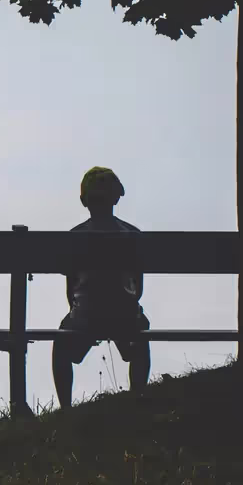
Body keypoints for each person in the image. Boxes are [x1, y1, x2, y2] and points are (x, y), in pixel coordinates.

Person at [53, 166, 151, 408]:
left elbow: (70, 288)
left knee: (61, 344)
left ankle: (66, 409)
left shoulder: (74, 237)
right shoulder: (133, 235)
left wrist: (80, 309)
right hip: (125, 315)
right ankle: (138, 399)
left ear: (84, 201)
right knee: (140, 334)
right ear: (116, 198)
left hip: (86, 314)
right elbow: (138, 288)